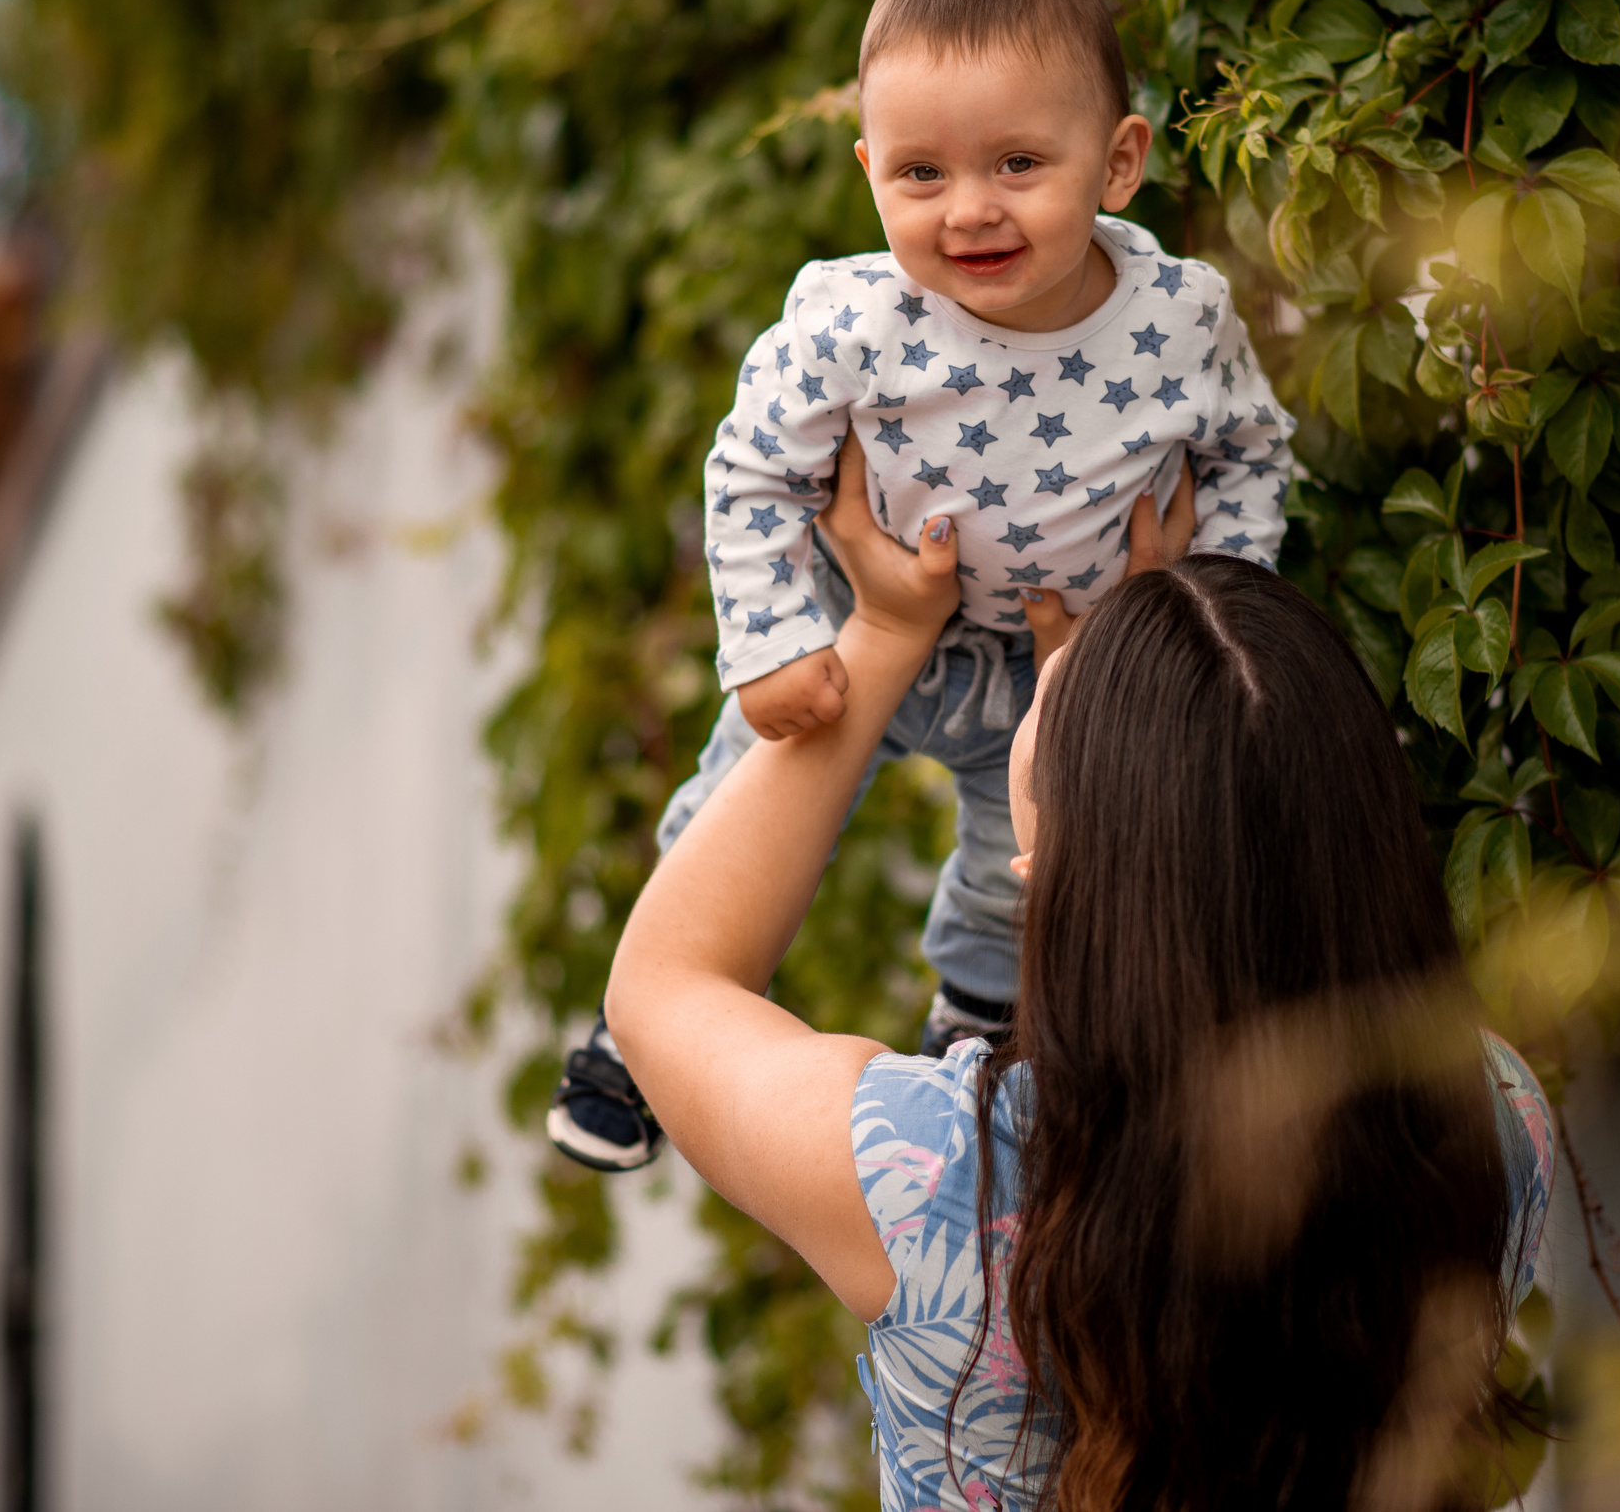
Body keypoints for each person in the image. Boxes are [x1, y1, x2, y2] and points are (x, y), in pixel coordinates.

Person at [602, 433, 1557, 1511]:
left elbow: (661, 989)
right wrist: (1162, 701)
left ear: (1048, 864)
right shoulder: (1491, 1117)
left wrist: (879, 632)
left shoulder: (938, 1179)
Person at [550, 0, 1296, 1170]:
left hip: (1063, 655)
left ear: (1118, 161)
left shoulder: (1179, 322)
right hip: (872, 622)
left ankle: (979, 1018)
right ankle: (639, 1034)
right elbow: (751, 471)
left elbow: (1252, 459)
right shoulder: (847, 322)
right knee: (739, 801)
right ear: (868, 176)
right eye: (920, 172)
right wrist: (775, 639)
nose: (970, 209)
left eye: (1017, 162)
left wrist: (1203, 610)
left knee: (1030, 857)